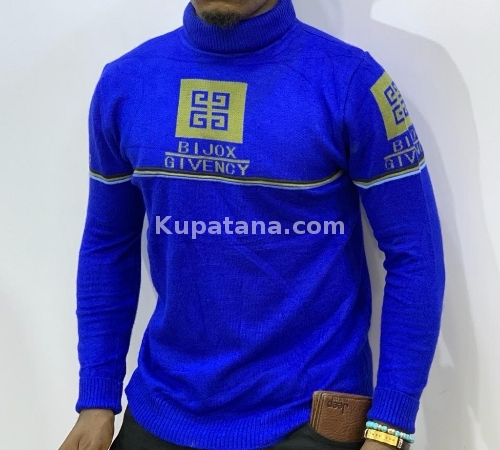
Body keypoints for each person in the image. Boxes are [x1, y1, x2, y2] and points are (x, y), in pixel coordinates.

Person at [59, 0, 445, 449]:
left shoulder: (352, 83)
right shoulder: (126, 83)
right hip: (162, 406)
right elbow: (108, 242)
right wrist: (97, 396)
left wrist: (390, 426)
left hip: (308, 417)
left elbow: (415, 251)